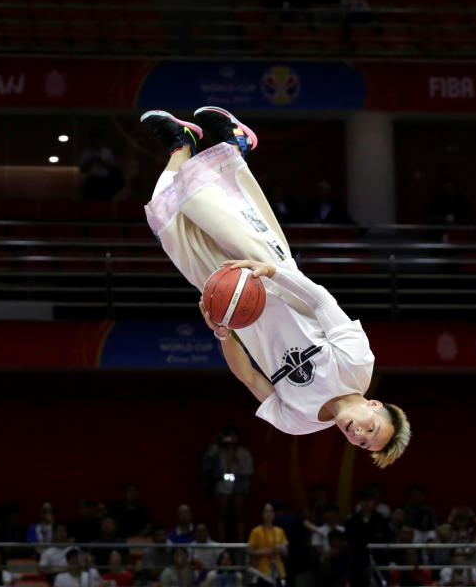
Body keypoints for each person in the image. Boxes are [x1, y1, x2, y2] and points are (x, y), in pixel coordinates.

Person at [140, 107, 410, 467]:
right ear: (375, 406)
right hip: (270, 275)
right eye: (372, 429)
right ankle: (233, 143)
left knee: (168, 222)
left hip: (233, 305)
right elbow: (320, 301)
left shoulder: (298, 422)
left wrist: (224, 334)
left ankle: (181, 144)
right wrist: (271, 270)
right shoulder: (359, 364)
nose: (359, 435)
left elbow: (248, 375)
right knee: (206, 203)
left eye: (363, 443)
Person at [201, 426, 253, 542]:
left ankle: (240, 545)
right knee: (221, 516)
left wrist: (236, 460)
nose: (231, 439)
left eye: (234, 436)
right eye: (229, 436)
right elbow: (207, 463)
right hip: (222, 484)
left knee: (239, 516)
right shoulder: (218, 451)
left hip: (238, 485)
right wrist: (214, 443)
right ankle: (222, 544)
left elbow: (249, 470)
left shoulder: (243, 452)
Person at [247, 503, 287, 585]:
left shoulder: (280, 531)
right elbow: (249, 551)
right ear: (262, 514)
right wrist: (267, 552)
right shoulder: (256, 531)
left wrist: (281, 549)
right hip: (261, 573)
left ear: (274, 514)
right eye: (266, 511)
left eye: (271, 511)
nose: (268, 514)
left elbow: (286, 553)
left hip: (278, 572)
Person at [79, 130, 123, 201]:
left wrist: (102, 162)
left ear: (101, 141)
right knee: (90, 202)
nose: (95, 142)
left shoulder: (107, 152)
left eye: (97, 140)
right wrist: (91, 161)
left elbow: (113, 168)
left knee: (105, 202)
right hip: (91, 181)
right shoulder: (85, 153)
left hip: (104, 182)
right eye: (93, 140)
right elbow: (82, 170)